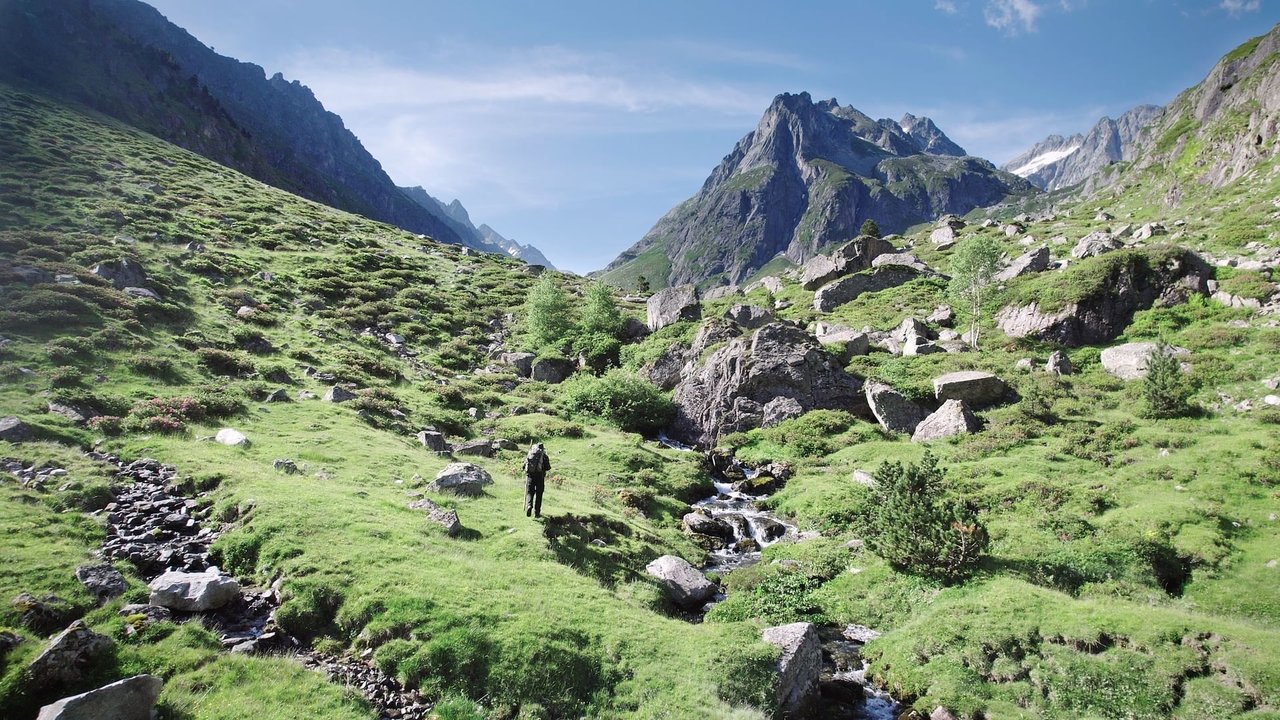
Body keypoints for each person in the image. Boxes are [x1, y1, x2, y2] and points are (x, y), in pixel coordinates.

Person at [523, 442, 551, 518]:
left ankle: (529, 506)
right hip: (540, 477)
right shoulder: (544, 456)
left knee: (530, 492)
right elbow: (548, 467)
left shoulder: (530, 453)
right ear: (543, 448)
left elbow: (524, 466)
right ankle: (537, 513)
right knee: (539, 494)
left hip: (530, 476)